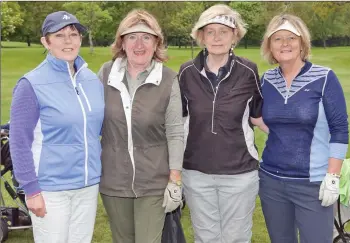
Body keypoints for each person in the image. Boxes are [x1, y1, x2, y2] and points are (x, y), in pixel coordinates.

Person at [9, 11, 104, 243]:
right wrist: (31, 190)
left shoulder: (91, 80)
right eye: (59, 35)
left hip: (87, 186)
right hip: (50, 189)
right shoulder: (31, 84)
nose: (68, 40)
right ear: (46, 41)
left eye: (73, 34)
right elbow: (19, 142)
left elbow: (97, 131)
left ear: (81, 39)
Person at [256, 14, 349, 243]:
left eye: (291, 38)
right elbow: (258, 118)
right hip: (271, 181)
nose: (285, 44)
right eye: (277, 39)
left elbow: (339, 129)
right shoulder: (266, 80)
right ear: (270, 45)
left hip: (313, 184)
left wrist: (333, 177)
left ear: (302, 43)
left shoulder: (324, 77)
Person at [178, 4, 264, 243]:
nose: (217, 37)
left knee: (236, 238)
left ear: (234, 36)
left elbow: (258, 115)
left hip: (239, 172)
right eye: (210, 31)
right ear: (201, 36)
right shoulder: (186, 72)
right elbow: (177, 121)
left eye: (224, 31)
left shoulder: (248, 71)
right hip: (196, 172)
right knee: (206, 237)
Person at [97, 9, 184, 243]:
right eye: (132, 36)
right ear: (122, 43)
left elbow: (176, 132)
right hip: (113, 181)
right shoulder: (105, 74)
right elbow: (92, 123)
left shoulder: (168, 79)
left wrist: (174, 179)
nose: (139, 44)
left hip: (153, 181)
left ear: (156, 43)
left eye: (146, 37)